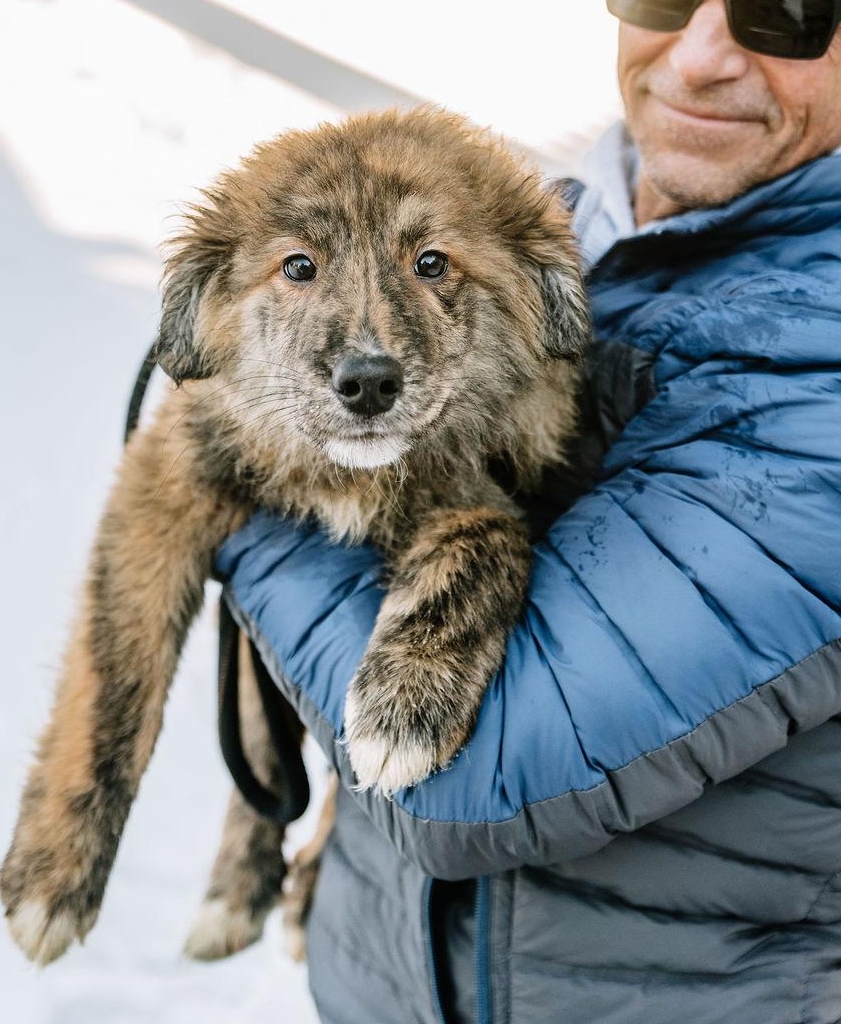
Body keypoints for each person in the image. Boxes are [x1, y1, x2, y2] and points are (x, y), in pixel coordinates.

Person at [216, 2, 841, 1021]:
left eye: (789, 13)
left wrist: (237, 485)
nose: (697, 58)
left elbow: (475, 779)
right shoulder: (537, 221)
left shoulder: (819, 351)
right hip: (378, 985)